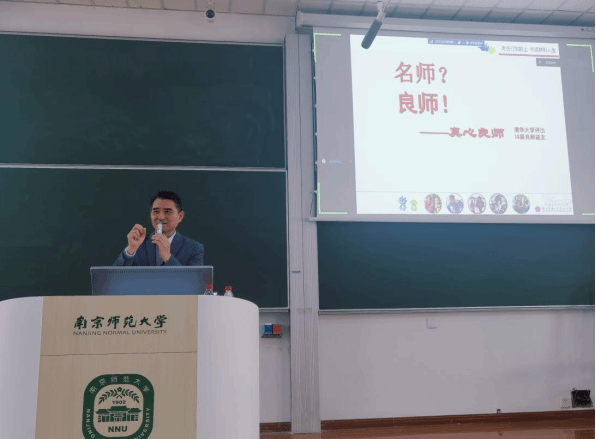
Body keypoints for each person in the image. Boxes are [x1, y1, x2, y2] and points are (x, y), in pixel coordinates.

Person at [113, 191, 204, 266]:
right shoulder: (138, 244)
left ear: (180, 216)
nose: (160, 217)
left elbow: (193, 281)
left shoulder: (194, 248)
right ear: (150, 215)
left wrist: (168, 258)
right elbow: (114, 278)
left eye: (167, 211)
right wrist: (130, 250)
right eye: (156, 211)